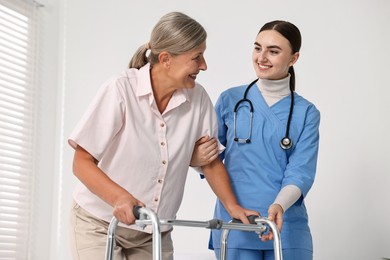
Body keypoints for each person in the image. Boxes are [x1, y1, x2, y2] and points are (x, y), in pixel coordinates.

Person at [67, 12, 258, 260]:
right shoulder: (121, 90)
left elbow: (210, 162)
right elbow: (81, 162)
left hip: (153, 229)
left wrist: (233, 207)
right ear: (166, 59)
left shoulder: (198, 99)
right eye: (196, 57)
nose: (204, 65)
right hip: (99, 223)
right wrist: (119, 198)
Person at [194, 20, 320, 260]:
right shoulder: (230, 100)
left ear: (294, 58)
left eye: (273, 51)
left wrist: (279, 205)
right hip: (236, 222)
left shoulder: (306, 112)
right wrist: (195, 159)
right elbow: (208, 160)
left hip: (285, 226)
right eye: (257, 48)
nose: (262, 57)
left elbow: (301, 172)